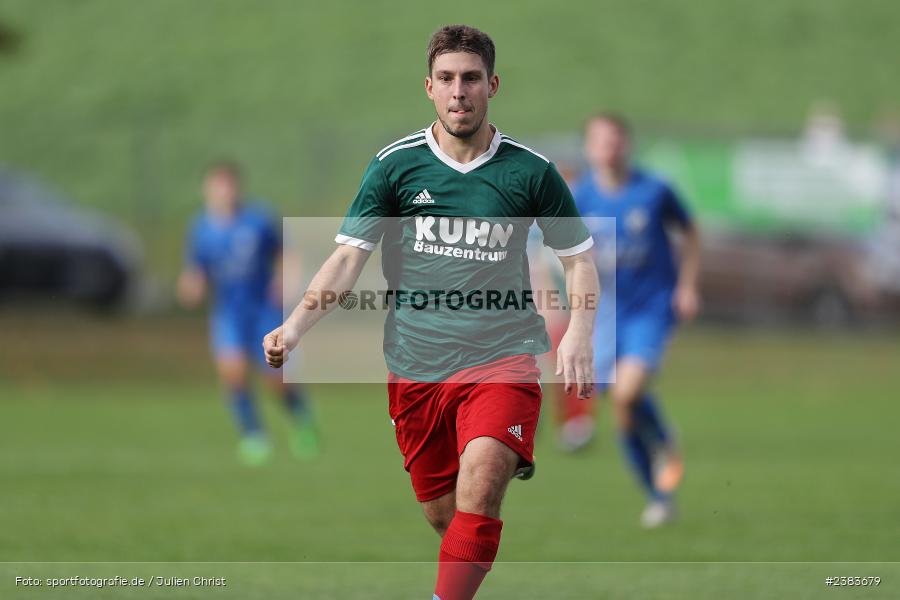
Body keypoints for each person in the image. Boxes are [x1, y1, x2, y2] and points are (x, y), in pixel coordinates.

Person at [263, 25, 599, 600]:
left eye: (471, 78)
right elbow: (347, 259)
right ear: (429, 87)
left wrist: (580, 332)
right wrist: (294, 327)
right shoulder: (395, 167)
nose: (458, 91)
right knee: (447, 518)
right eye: (446, 78)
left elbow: (579, 259)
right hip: (416, 369)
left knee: (481, 488)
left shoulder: (530, 172)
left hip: (503, 360)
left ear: (492, 84)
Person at [573, 113, 701, 528]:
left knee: (626, 394)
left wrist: (687, 286)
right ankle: (659, 496)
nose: (608, 148)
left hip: (650, 308)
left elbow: (691, 231)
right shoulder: (579, 196)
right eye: (600, 140)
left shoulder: (654, 190)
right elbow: (563, 251)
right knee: (623, 412)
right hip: (605, 313)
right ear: (589, 147)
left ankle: (662, 439)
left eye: (615, 140)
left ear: (626, 144)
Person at [177, 161, 318, 466]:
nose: (224, 192)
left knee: (275, 378)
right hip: (229, 313)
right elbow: (197, 267)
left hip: (264, 310)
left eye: (228, 186)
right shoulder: (201, 228)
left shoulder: (258, 219)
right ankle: (254, 435)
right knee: (233, 373)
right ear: (207, 190)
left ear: (237, 188)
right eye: (217, 187)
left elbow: (284, 253)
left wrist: (286, 280)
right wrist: (192, 285)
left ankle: (302, 420)